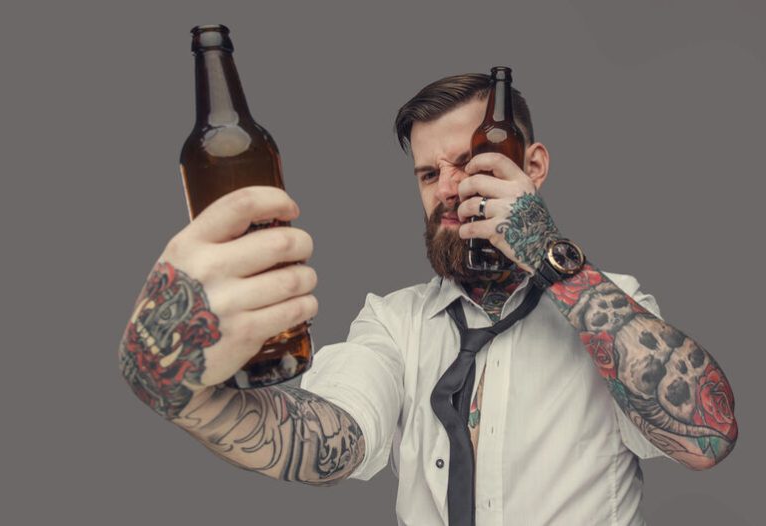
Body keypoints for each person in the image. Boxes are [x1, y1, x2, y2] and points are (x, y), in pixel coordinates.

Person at [118, 73, 738, 525]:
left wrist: (551, 254)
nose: (448, 190)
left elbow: (709, 437)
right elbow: (329, 442)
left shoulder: (609, 308)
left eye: (471, 162)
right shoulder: (393, 323)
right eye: (426, 174)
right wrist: (187, 398)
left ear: (535, 167)